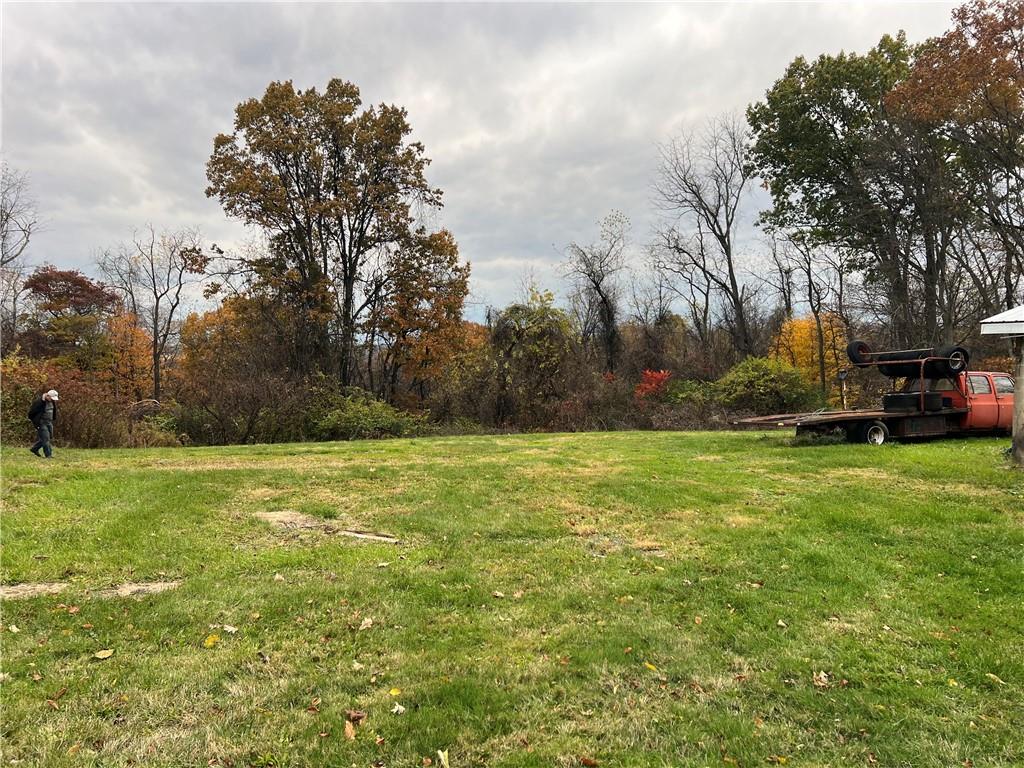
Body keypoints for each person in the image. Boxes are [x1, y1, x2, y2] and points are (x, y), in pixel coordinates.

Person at [28, 389, 59, 459]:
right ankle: (48, 455)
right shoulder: (39, 402)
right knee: (46, 439)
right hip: (41, 423)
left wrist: (53, 418)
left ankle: (34, 449)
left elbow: (53, 411)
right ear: (48, 396)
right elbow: (31, 413)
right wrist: (36, 423)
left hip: (49, 422)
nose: (53, 400)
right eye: (51, 398)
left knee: (49, 437)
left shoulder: (52, 402)